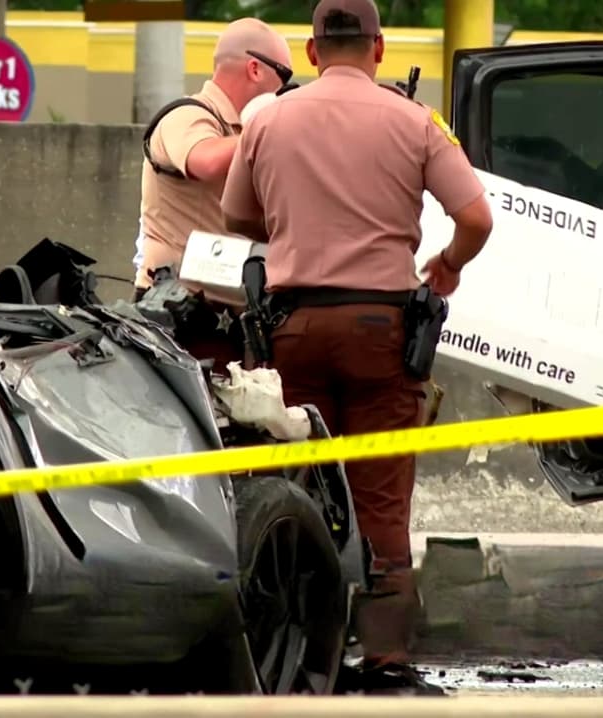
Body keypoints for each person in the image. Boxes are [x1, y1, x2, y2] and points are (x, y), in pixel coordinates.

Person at [219, 0, 493, 693]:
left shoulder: (269, 119)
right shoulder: (414, 121)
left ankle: (298, 653)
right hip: (381, 333)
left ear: (311, 53)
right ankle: (385, 662)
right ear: (377, 48)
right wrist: (449, 263)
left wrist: (292, 225)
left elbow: (235, 215)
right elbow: (476, 217)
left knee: (299, 491)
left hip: (294, 331)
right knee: (380, 498)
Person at [133, 17, 293, 371]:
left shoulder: (243, 129)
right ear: (254, 68)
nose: (285, 89)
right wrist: (268, 131)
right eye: (283, 75)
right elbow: (203, 160)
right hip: (180, 314)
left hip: (234, 315)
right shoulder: (185, 116)